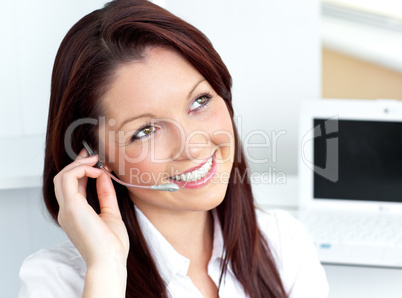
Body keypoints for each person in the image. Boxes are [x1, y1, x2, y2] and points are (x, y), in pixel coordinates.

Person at [18, 0, 329, 297]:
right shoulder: (57, 281)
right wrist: (108, 267)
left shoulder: (283, 243)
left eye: (199, 101)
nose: (192, 148)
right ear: (95, 158)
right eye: (145, 131)